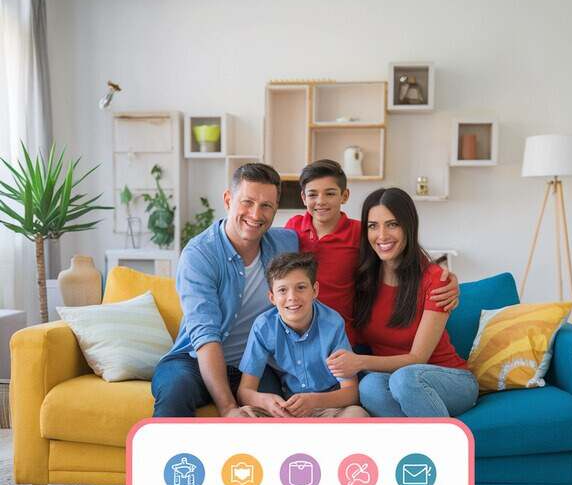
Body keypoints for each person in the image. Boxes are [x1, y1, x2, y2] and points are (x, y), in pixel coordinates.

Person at [151, 163, 298, 417]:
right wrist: (228, 408)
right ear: (228, 199)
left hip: (253, 367)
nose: (255, 214)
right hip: (193, 361)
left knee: (276, 410)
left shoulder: (285, 244)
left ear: (276, 209)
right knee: (175, 390)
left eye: (266, 206)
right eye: (247, 202)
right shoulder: (200, 254)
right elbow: (205, 335)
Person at [326, 187, 479, 418]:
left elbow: (418, 359)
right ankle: (409, 446)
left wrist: (358, 362)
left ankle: (441, 449)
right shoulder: (364, 279)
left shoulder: (435, 279)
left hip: (448, 380)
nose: (382, 235)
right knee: (369, 387)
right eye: (373, 226)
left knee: (405, 378)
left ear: (408, 226)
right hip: (396, 382)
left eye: (392, 224)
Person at [285, 159, 460, 342]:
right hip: (300, 331)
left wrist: (448, 280)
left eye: (330, 193)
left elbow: (400, 254)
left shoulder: (361, 233)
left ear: (344, 196)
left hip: (342, 336)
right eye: (313, 194)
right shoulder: (293, 228)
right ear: (303, 198)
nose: (321, 201)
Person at [237, 252, 367, 418]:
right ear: (272, 297)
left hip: (328, 405)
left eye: (301, 287)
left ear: (315, 290)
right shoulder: (263, 327)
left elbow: (351, 392)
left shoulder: (332, 324)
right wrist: (266, 401)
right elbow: (244, 391)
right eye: (282, 290)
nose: (292, 297)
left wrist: (314, 402)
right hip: (286, 407)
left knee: (357, 415)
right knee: (241, 416)